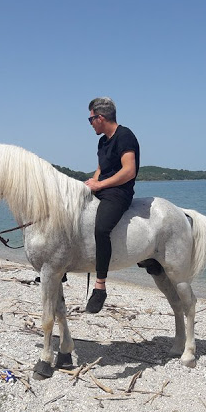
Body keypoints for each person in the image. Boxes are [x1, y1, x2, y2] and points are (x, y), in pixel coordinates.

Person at [84, 97, 140, 313]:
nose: (90, 124)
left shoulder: (125, 136)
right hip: (102, 188)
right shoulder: (103, 141)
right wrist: (90, 184)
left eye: (90, 120)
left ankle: (100, 287)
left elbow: (128, 171)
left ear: (100, 117)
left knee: (101, 228)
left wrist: (100, 185)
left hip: (119, 192)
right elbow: (100, 168)